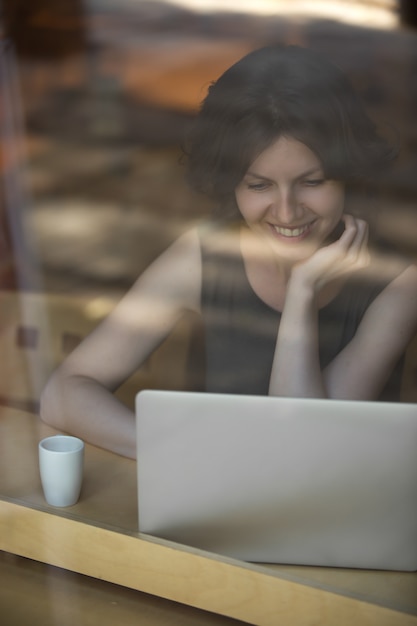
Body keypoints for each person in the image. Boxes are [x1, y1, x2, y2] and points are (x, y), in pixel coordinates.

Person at [40, 45, 417, 459]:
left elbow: (301, 453)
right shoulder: (205, 256)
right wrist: (173, 453)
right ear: (231, 183)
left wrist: (301, 295)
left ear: (347, 174)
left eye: (313, 182)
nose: (288, 211)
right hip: (218, 507)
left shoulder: (398, 281)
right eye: (259, 186)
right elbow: (62, 394)